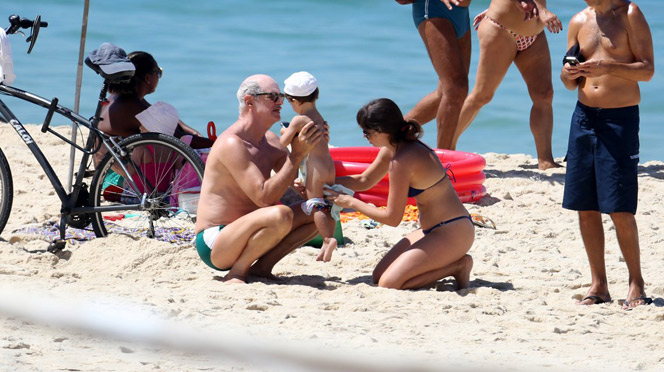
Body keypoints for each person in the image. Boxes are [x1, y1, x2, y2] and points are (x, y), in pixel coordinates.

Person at [394, 0, 538, 150]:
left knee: (448, 91)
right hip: (432, 4)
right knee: (457, 87)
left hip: (461, 10)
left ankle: (392, 135)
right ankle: (444, 159)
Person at [561, 0, 654, 309]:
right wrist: (569, 75)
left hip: (619, 119)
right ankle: (598, 284)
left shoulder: (630, 15)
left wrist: (608, 66)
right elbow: (568, 82)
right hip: (584, 117)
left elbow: (647, 70)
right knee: (585, 206)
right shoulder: (578, 21)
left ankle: (636, 283)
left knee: (619, 209)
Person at [326, 98, 475, 290]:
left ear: (380, 130)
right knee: (378, 276)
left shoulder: (402, 161)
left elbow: (392, 218)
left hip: (452, 232)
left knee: (389, 283)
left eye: (366, 132)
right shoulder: (393, 148)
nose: (365, 137)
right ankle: (451, 264)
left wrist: (352, 203)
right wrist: (323, 184)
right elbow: (364, 181)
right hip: (432, 230)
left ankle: (458, 266)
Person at [453, 0, 561, 169]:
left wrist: (540, 16)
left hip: (533, 35)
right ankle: (445, 148)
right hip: (501, 30)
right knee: (482, 96)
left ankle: (546, 161)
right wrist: (544, 12)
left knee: (544, 94)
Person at [194, 74, 323, 283]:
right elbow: (264, 198)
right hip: (216, 241)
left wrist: (315, 146)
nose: (280, 101)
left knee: (320, 211)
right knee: (280, 214)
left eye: (280, 96)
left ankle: (261, 269)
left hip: (253, 231)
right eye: (272, 96)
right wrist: (296, 155)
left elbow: (294, 187)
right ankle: (237, 272)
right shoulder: (232, 143)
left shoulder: (271, 141)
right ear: (249, 102)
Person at [98, 50, 213, 149]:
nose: (159, 77)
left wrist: (192, 132)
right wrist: (215, 144)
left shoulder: (122, 97)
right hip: (116, 173)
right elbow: (175, 136)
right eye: (158, 72)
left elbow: (164, 119)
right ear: (148, 77)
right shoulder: (131, 105)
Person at [280, 71, 338, 262]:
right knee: (327, 204)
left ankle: (328, 239)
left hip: (315, 168)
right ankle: (327, 240)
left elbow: (283, 143)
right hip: (329, 165)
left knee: (316, 206)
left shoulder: (299, 119)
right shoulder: (320, 117)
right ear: (316, 94)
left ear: (293, 101)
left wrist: (284, 131)